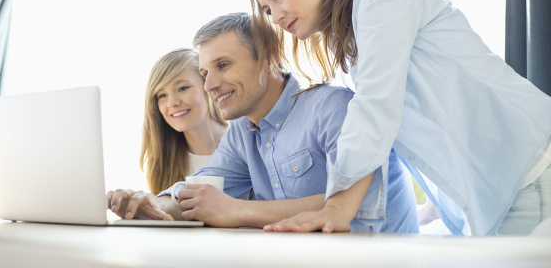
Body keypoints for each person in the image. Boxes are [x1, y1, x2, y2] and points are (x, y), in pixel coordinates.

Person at [247, 0, 551, 235]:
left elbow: (375, 107)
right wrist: (437, 207)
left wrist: (337, 209)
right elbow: (419, 122)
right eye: (266, 9)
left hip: (526, 167)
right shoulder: (349, 39)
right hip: (502, 186)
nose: (275, 15)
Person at [107, 12, 419, 232]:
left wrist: (238, 211)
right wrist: (154, 205)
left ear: (269, 57)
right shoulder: (242, 133)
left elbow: (361, 202)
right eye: (204, 73)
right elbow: (199, 191)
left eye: (223, 65)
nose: (209, 85)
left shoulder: (331, 107)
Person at [107, 48, 228, 219]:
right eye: (162, 95)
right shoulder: (166, 158)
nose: (172, 102)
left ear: (207, 86)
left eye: (182, 88)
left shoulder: (243, 141)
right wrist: (147, 207)